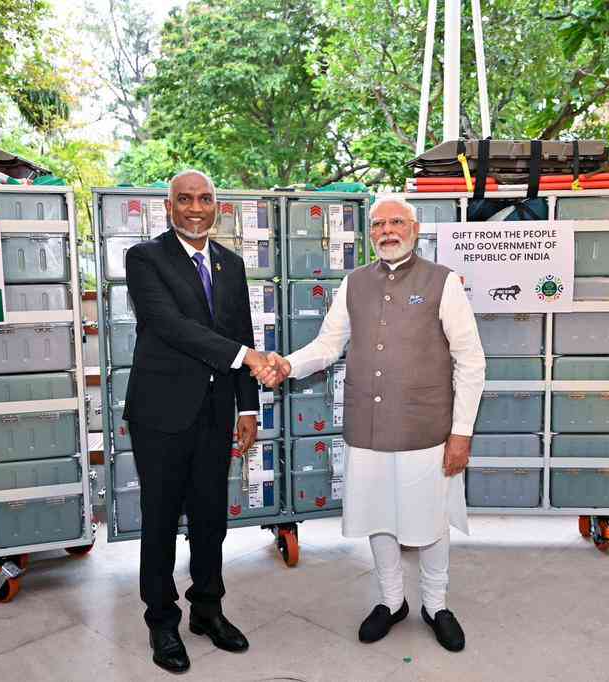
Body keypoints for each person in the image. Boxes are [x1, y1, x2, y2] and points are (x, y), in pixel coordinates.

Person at [255, 196, 485, 652]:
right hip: (367, 427)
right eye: (378, 224)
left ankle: (437, 605)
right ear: (370, 233)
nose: (386, 230)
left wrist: (461, 433)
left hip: (427, 429)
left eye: (396, 222)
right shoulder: (353, 283)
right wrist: (286, 365)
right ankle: (392, 600)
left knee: (431, 522)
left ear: (415, 229)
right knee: (379, 518)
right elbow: (326, 345)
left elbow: (471, 361)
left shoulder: (443, 282)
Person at [124, 169, 275, 674]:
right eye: (184, 199)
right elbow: (171, 327)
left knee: (212, 519)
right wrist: (250, 358)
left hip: (215, 413)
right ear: (168, 206)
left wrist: (247, 406)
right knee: (162, 520)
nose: (195, 207)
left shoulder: (230, 264)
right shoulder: (145, 258)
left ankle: (207, 609)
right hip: (161, 413)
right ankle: (162, 621)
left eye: (205, 199)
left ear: (218, 207)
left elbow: (241, 330)